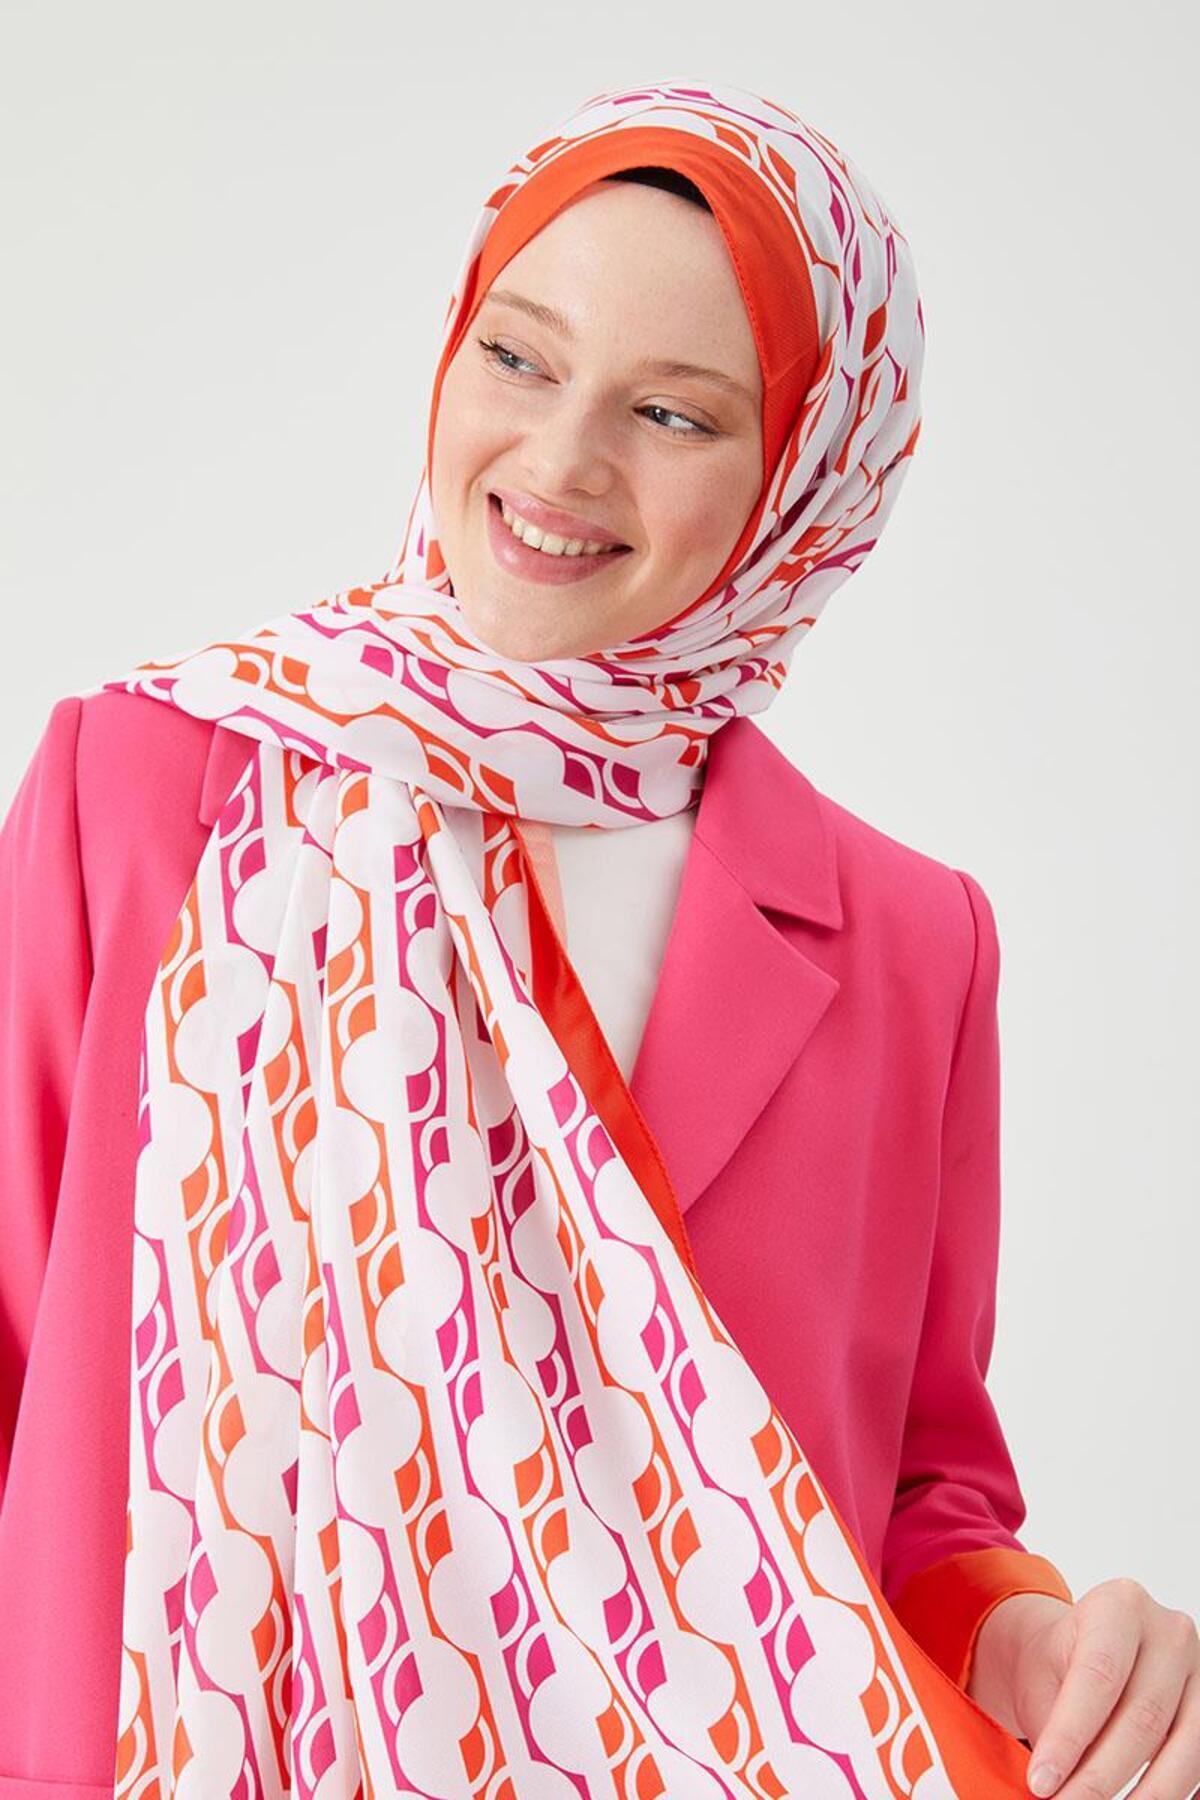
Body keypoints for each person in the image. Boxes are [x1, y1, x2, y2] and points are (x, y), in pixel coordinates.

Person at [0, 78, 1195, 1800]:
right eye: (518, 356)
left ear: (806, 482)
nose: (560, 464)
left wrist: (1025, 1631)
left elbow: (917, 1499)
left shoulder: (913, 945)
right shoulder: (146, 788)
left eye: (674, 413)